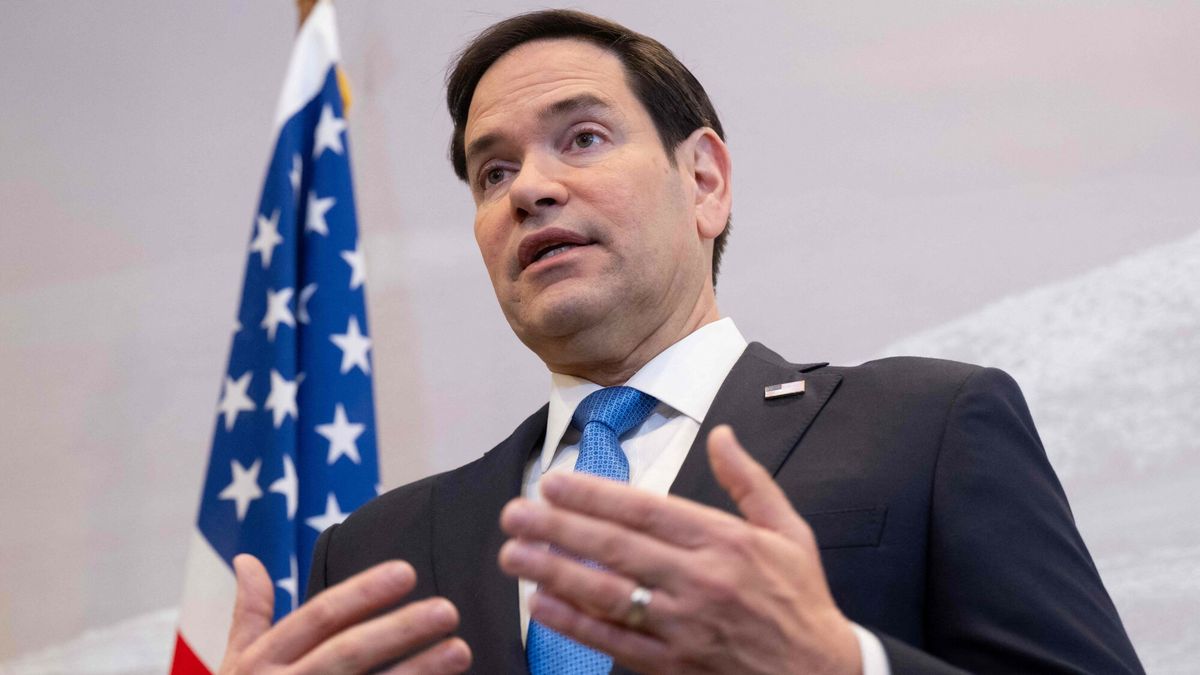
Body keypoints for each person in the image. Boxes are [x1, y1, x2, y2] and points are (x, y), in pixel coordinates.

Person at [217, 9, 1143, 674]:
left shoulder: (926, 426)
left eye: (582, 138)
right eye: (491, 171)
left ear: (704, 181)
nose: (529, 188)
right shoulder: (372, 550)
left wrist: (843, 663)